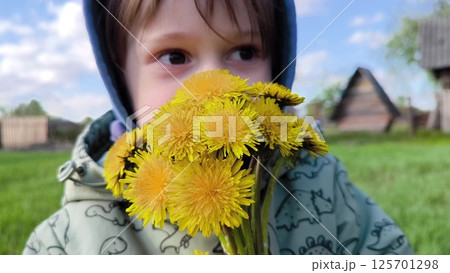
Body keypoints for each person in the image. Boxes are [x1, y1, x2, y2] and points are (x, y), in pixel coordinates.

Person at [23, 0, 414, 255]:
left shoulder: (325, 187)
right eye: (175, 56)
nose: (213, 88)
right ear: (121, 80)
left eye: (245, 52)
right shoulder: (65, 242)